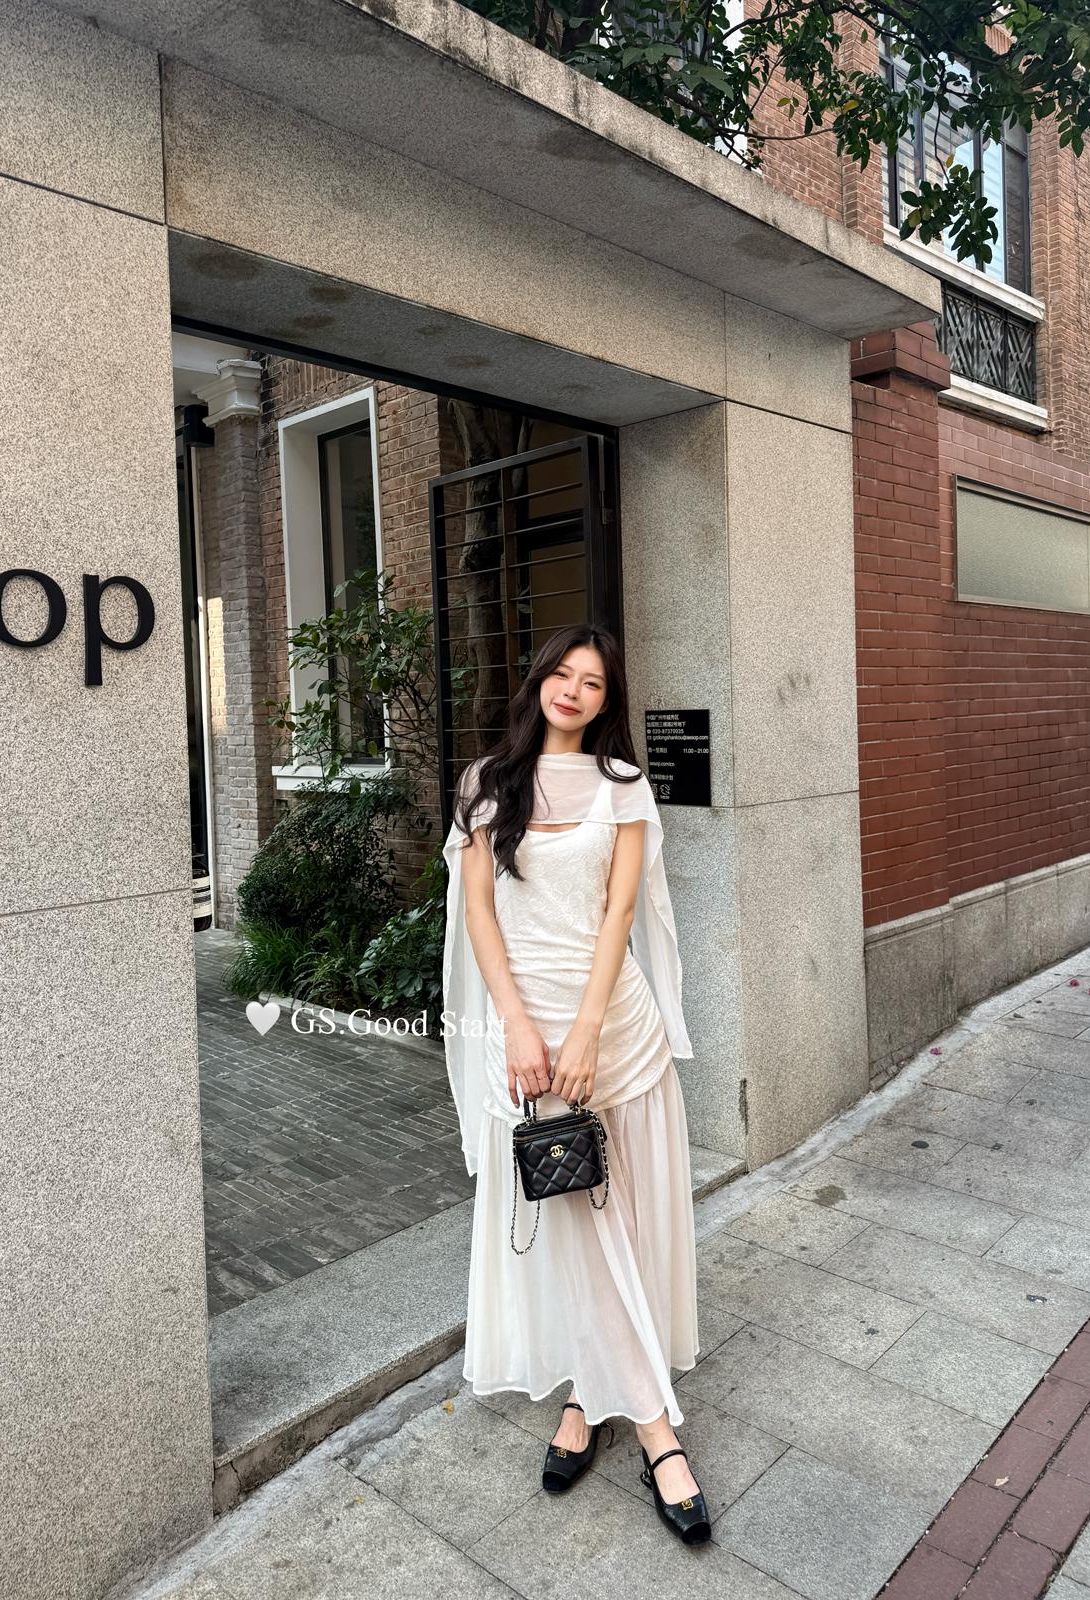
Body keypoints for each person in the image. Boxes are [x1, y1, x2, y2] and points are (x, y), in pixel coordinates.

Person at [439, 622, 710, 1544]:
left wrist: (587, 1029)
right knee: (572, 1218)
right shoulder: (485, 785)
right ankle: (652, 1430)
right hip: (524, 1033)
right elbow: (480, 915)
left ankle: (599, 1407)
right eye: (562, 673)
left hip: (611, 1028)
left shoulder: (623, 786)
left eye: (592, 682)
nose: (573, 689)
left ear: (606, 701)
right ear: (538, 682)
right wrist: (517, 1026)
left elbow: (620, 913)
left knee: (612, 1216)